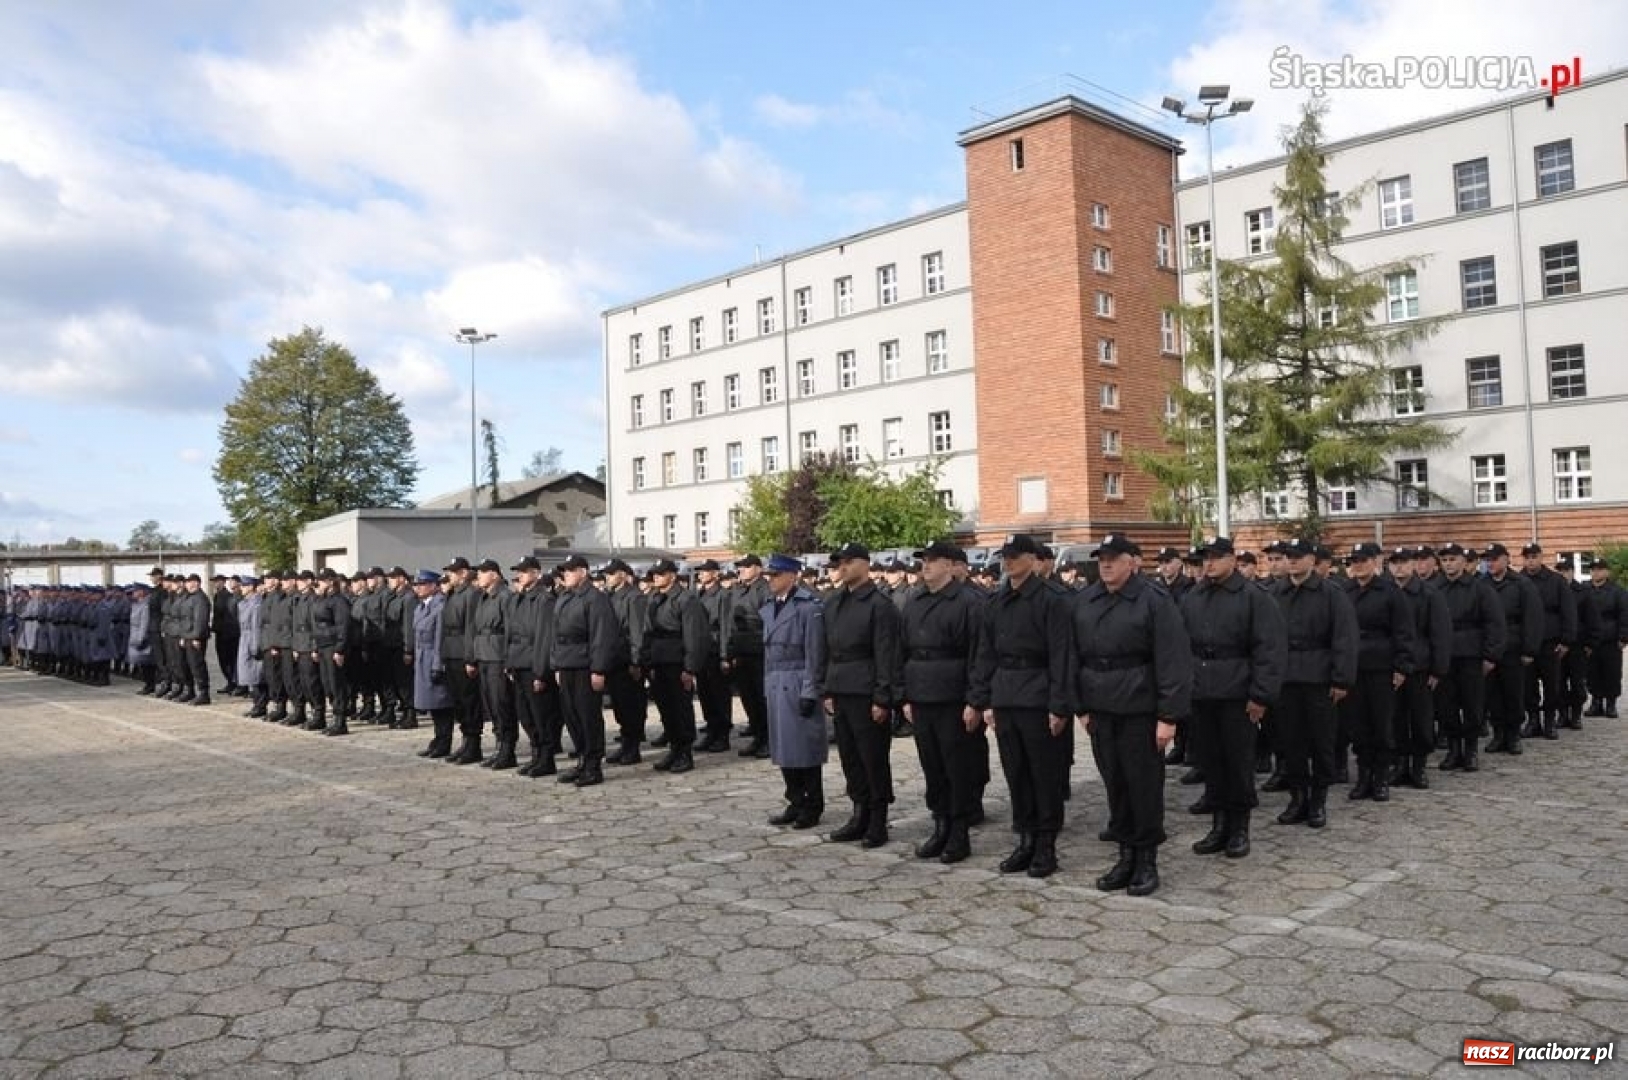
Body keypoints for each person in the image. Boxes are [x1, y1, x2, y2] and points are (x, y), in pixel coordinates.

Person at [1073, 534, 1191, 897]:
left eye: (1113, 558)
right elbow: (1075, 656)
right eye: (1101, 559)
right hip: (1102, 709)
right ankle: (1125, 856)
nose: (1105, 564)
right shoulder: (1087, 600)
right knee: (1116, 786)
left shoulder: (1153, 601)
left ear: (1132, 562)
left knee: (1143, 788)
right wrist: (1081, 706)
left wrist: (1168, 716)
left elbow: (1173, 660)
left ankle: (1146, 860)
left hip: (1140, 708)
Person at [968, 534, 1074, 878]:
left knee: (1043, 775)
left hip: (1038, 696)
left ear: (1032, 559)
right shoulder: (996, 602)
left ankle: (1046, 846)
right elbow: (985, 655)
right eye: (1005, 557)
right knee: (1016, 774)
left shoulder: (1051, 600)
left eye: (1015, 556)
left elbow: (1061, 656)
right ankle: (1025, 840)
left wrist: (1059, 706)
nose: (1008, 562)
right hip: (1006, 696)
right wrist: (983, 699)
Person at [1180, 537, 1285, 854]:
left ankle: (1239, 828)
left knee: (1238, 763)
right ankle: (1219, 826)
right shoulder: (1194, 596)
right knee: (1211, 761)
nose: (1208, 564)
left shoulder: (1254, 597)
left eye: (1215, 557)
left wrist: (1261, 695)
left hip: (1238, 692)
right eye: (1204, 559)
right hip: (1203, 692)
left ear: (1232, 559)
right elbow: (1181, 644)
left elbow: (1269, 649)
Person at [901, 540, 986, 865]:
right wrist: (904, 695)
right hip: (921, 695)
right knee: (932, 766)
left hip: (953, 697)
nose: (927, 565)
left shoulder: (968, 603)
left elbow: (979, 655)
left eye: (934, 560)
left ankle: (959, 832)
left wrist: (974, 700)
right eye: (924, 560)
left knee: (957, 767)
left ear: (951, 566)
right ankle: (940, 825)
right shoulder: (914, 600)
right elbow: (902, 649)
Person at [1268, 538, 1357, 828]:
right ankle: (1297, 797)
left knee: (1321, 742)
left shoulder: (1331, 593)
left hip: (1319, 678)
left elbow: (1344, 638)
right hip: (1286, 679)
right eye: (1287, 556)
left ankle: (1318, 800)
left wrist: (1341, 678)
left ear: (1312, 560)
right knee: (1290, 742)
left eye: (1298, 556)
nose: (1292, 561)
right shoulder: (1275, 593)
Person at [821, 542, 905, 850]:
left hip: (867, 690)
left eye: (846, 561)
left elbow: (887, 654)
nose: (840, 567)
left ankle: (877, 820)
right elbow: (827, 649)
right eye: (837, 562)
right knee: (850, 757)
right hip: (841, 687)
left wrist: (883, 698)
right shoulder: (834, 602)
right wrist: (826, 688)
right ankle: (859, 812)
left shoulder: (880, 605)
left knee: (872, 758)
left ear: (864, 564)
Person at [1338, 543, 1415, 804]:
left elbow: (1404, 632)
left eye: (1362, 560)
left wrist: (1401, 667)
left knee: (1381, 725)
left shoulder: (1390, 592)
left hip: (1381, 666)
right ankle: (1363, 775)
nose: (1357, 566)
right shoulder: (1344, 591)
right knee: (1357, 725)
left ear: (1375, 562)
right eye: (1353, 561)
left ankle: (1380, 777)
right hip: (1353, 667)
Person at [762, 554, 828, 828]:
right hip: (777, 680)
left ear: (792, 575)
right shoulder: (769, 606)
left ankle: (812, 805)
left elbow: (816, 652)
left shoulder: (807, 606)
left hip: (798, 679)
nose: (770, 580)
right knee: (783, 749)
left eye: (776, 575)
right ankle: (794, 800)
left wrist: (811, 690)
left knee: (804, 749)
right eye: (769, 575)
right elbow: (767, 652)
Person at [1435, 543, 1506, 771]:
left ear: (1464, 562)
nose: (1449, 564)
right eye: (1444, 560)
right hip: (1444, 656)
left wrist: (1491, 655)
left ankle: (1471, 749)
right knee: (1446, 705)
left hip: (1471, 654)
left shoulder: (1480, 589)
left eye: (1453, 559)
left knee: (1472, 704)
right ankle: (1454, 749)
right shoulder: (1435, 588)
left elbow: (1495, 623)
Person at [550, 554, 619, 787]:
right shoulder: (565, 597)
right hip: (567, 664)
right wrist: (556, 664)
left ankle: (593, 765)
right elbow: (555, 635)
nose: (565, 575)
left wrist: (598, 669)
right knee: (572, 716)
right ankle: (581, 758)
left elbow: (602, 636)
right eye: (564, 571)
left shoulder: (595, 598)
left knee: (588, 716)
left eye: (570, 570)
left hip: (585, 664)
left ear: (583, 572)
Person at [640, 559, 710, 774]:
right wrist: (647, 661)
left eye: (661, 574)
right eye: (654, 574)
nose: (656, 577)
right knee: (666, 709)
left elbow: (694, 635)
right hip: (659, 660)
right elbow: (648, 632)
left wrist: (689, 668)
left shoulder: (686, 599)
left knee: (680, 709)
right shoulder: (654, 598)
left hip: (677, 661)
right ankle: (674, 748)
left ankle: (685, 752)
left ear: (672, 575)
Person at [1389, 548, 1450, 789]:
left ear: (1414, 564)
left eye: (1404, 562)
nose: (1399, 568)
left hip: (1420, 667)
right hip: (1391, 667)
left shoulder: (1429, 594)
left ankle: (1418, 765)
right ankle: (1400, 763)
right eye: (1394, 563)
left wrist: (1438, 669)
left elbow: (1440, 633)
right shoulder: (1385, 592)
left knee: (1421, 719)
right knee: (1395, 719)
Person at [505, 557, 560, 777]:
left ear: (536, 573)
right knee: (525, 715)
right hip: (519, 662)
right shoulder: (519, 598)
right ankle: (536, 754)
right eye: (519, 572)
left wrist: (540, 672)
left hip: (533, 664)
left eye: (524, 572)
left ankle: (547, 758)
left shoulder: (543, 600)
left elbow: (544, 638)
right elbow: (511, 634)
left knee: (541, 715)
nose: (520, 575)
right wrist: (509, 662)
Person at [1485, 543, 1542, 751]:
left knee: (1513, 692)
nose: (1490, 563)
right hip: (1490, 649)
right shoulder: (1482, 584)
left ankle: (1513, 735)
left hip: (1513, 646)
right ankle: (1498, 733)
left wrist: (1529, 649)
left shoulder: (1521, 584)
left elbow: (1533, 618)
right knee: (1492, 694)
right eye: (1487, 560)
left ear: (1506, 559)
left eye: (1494, 559)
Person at [1519, 543, 1576, 738]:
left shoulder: (1556, 580)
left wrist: (1566, 640)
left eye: (1534, 557)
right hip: (1526, 642)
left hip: (1550, 641)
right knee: (1528, 685)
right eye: (1527, 557)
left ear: (1541, 557)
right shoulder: (1518, 580)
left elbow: (1568, 611)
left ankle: (1550, 721)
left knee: (1552, 685)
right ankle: (1533, 720)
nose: (1530, 561)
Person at [724, 554, 772, 759]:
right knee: (749, 699)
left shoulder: (765, 589)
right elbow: (730, 624)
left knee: (763, 699)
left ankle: (769, 739)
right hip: (742, 652)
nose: (741, 570)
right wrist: (729, 651)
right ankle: (759, 736)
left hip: (760, 653)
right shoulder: (738, 590)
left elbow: (770, 622)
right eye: (740, 567)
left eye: (746, 566)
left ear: (758, 569)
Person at [602, 559, 648, 766]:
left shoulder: (634, 597)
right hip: (614, 658)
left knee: (632, 706)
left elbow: (637, 632)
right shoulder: (611, 597)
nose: (608, 578)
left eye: (611, 574)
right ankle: (626, 742)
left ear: (622, 574)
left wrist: (636, 661)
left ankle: (633, 747)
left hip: (628, 659)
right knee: (620, 705)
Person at [469, 559, 515, 767]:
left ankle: (507, 749)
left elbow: (510, 630)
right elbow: (476, 629)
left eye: (483, 572)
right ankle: (499, 744)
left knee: (501, 703)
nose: (478, 576)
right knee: (490, 703)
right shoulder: (483, 597)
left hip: (498, 656)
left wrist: (508, 660)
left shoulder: (504, 596)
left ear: (495, 575)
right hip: (484, 655)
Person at [439, 557, 484, 764]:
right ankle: (465, 741)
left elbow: (470, 627)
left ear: (464, 573)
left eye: (454, 572)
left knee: (469, 701)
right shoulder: (451, 594)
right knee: (458, 701)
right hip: (450, 652)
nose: (450, 575)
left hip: (462, 653)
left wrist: (470, 658)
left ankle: (473, 744)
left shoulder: (471, 595)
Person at [410, 570, 456, 756]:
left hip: (433, 658)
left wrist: (437, 665)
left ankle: (444, 742)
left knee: (442, 702)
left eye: (422, 584)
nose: (418, 588)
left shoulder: (440, 605)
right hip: (422, 659)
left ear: (433, 586)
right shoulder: (421, 607)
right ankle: (437, 739)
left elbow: (439, 638)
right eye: (416, 585)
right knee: (431, 703)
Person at [692, 560, 734, 752]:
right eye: (700, 572)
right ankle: (711, 730)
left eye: (705, 571)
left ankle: (722, 735)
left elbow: (726, 626)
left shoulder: (723, 596)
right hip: (702, 651)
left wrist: (725, 655)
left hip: (716, 650)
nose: (701, 574)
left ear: (716, 574)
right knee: (705, 694)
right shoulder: (699, 595)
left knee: (719, 695)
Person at [311, 569, 352, 735]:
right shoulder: (321, 600)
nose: (318, 584)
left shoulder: (339, 601)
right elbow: (315, 626)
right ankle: (334, 718)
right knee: (327, 684)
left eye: (320, 581)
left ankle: (340, 721)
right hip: (322, 646)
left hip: (333, 647)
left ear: (329, 582)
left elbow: (343, 627)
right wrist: (315, 646)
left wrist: (340, 649)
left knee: (337, 685)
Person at [1586, 559, 1627, 717]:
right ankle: (1596, 702)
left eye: (1599, 569)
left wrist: (1623, 637)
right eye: (1593, 569)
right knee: (1592, 672)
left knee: (1612, 672)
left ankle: (1611, 704)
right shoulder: (1585, 589)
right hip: (1591, 640)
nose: (1596, 572)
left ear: (1607, 572)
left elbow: (1624, 615)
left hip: (1611, 639)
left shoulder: (1617, 591)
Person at [179, 573, 213, 706]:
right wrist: (183, 636)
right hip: (187, 635)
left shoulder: (200, 598)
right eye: (187, 582)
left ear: (197, 583)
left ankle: (204, 693)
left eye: (191, 582)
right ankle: (191, 690)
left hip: (195, 637)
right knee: (188, 665)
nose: (188, 585)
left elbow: (200, 619)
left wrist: (197, 637)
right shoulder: (189, 597)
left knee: (197, 665)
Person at [237, 577, 266, 718]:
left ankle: (260, 705)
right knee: (249, 675)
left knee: (255, 675)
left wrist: (255, 647)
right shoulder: (245, 603)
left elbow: (256, 627)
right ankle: (256, 703)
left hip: (252, 640)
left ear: (250, 587)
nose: (241, 588)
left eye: (243, 586)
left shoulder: (256, 605)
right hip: (245, 639)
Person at [211, 574, 241, 697]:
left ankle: (235, 683)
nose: (215, 584)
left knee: (230, 660)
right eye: (214, 582)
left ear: (223, 582)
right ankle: (230, 682)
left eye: (218, 581)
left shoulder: (228, 597)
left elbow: (232, 616)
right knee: (223, 660)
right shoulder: (217, 596)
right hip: (220, 632)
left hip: (229, 633)